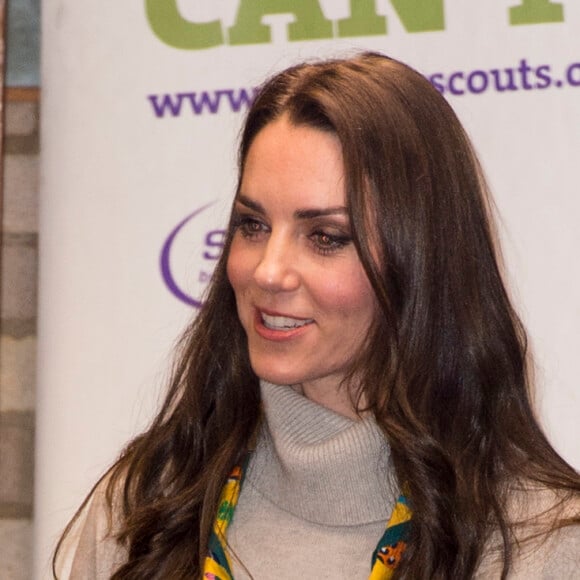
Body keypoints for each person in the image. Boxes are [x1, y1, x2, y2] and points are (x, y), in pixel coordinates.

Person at [54, 52, 580, 579]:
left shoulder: (544, 545)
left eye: (325, 237)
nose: (268, 271)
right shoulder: (145, 507)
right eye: (253, 225)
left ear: (420, 260)